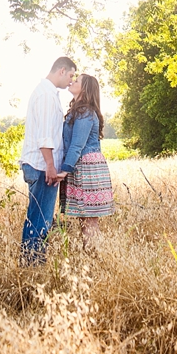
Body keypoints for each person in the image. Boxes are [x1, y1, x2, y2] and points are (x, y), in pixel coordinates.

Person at [19, 55, 77, 264]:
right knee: (40, 222)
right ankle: (32, 266)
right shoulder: (45, 95)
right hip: (42, 166)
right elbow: (45, 135)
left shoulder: (48, 93)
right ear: (61, 70)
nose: (71, 80)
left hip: (42, 165)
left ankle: (30, 265)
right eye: (70, 75)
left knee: (37, 218)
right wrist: (51, 166)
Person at [58, 73, 115, 248]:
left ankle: (95, 257)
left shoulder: (85, 112)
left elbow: (77, 145)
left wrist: (65, 170)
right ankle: (91, 257)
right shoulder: (79, 111)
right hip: (82, 166)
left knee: (89, 219)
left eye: (77, 80)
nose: (72, 81)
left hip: (86, 167)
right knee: (85, 218)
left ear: (85, 88)